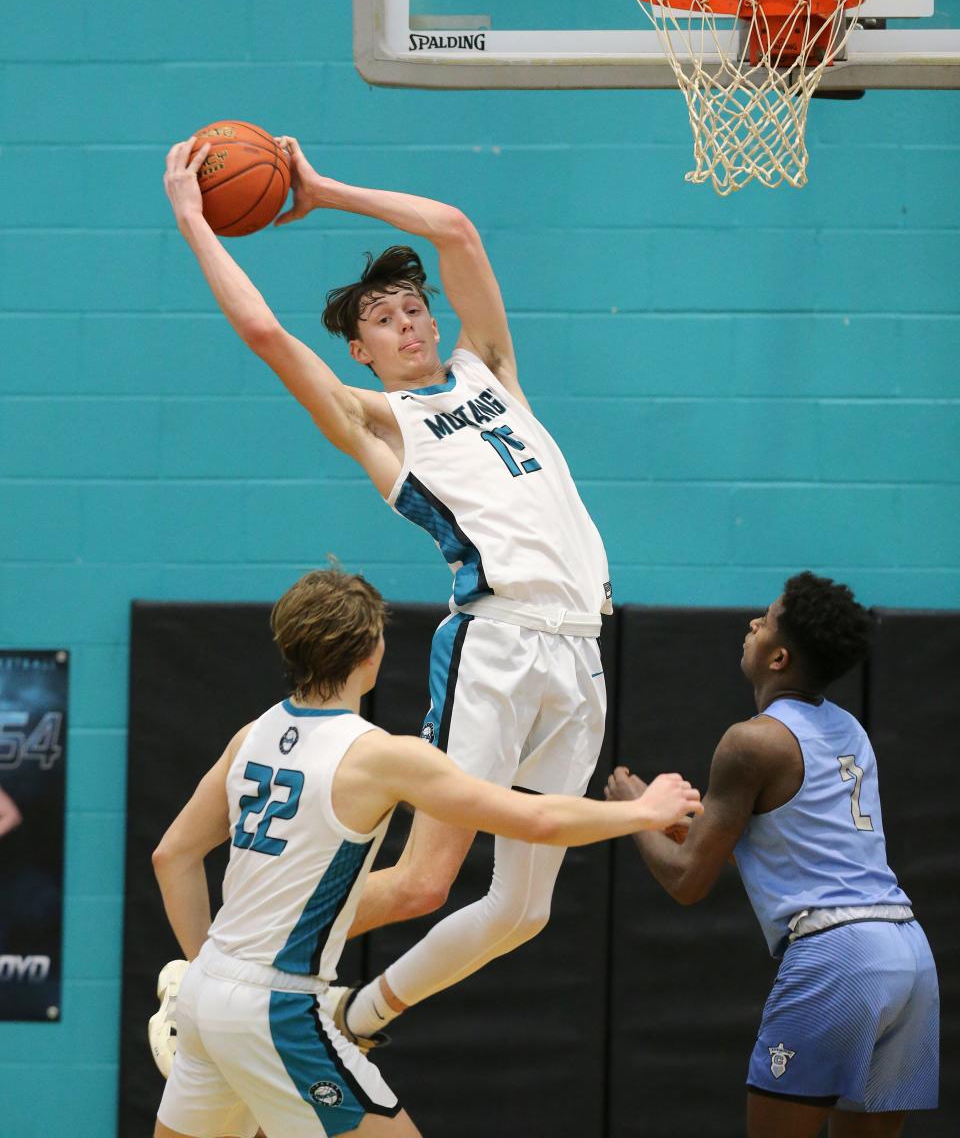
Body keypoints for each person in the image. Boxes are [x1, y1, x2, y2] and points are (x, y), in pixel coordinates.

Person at [163, 136, 615, 1043]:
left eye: (415, 307)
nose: (409, 322)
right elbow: (261, 334)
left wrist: (322, 190)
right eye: (384, 319)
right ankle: (219, 972)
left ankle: (357, 1016)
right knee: (421, 883)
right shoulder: (380, 425)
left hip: (581, 649)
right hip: (498, 641)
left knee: (524, 913)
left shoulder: (492, 370)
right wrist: (189, 216)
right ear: (362, 353)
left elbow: (453, 228)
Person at [151, 568, 702, 1138]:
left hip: (201, 996)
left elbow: (172, 857)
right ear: (372, 654)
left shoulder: (251, 736)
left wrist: (207, 977)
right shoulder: (382, 758)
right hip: (275, 1007)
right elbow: (536, 816)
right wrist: (644, 811)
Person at [606, 571, 939, 1138]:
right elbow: (804, 858)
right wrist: (697, 831)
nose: (752, 623)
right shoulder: (850, 730)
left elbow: (688, 883)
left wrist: (634, 813)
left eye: (766, 619)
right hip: (908, 955)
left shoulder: (751, 741)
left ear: (778, 657)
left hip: (839, 960)